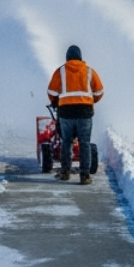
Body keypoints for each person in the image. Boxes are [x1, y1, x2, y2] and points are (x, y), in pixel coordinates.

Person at [46, 45, 104, 184]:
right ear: (80, 57)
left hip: (66, 113)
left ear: (67, 58)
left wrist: (56, 102)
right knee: (84, 143)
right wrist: (90, 101)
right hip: (85, 112)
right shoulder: (90, 71)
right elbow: (99, 92)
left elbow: (52, 92)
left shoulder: (60, 72)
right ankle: (85, 176)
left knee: (66, 141)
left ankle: (65, 172)